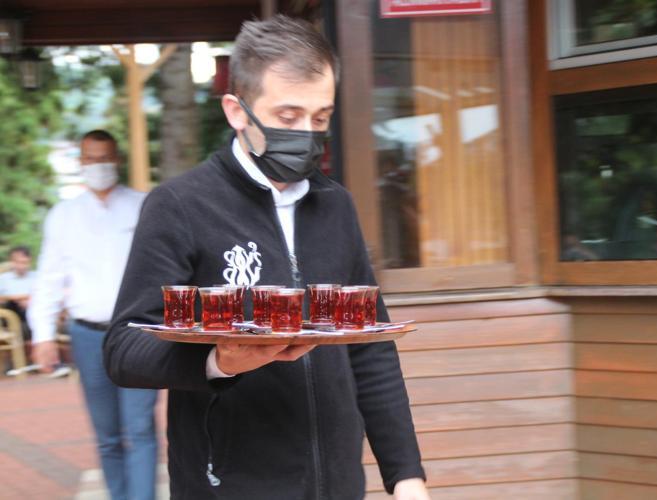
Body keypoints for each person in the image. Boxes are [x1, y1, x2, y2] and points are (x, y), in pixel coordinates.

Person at [104, 16, 429, 500]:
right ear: (236, 111)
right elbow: (123, 350)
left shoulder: (336, 205)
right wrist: (218, 361)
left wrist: (406, 477)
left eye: (320, 118)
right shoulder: (180, 206)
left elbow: (371, 347)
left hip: (338, 484)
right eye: (288, 116)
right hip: (228, 486)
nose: (306, 133)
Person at [28, 130, 158, 500]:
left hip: (137, 334)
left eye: (105, 158)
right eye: (90, 158)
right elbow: (49, 278)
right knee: (107, 435)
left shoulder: (144, 206)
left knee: (140, 428)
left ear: (117, 159)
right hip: (87, 337)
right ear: (81, 162)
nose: (98, 165)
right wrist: (43, 336)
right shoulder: (64, 215)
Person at [0, 245, 36, 342]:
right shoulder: (3, 279)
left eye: (24, 262)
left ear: (30, 262)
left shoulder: (36, 277)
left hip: (33, 310)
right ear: (12, 261)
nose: (21, 266)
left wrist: (29, 301)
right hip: (12, 312)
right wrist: (19, 299)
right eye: (17, 262)